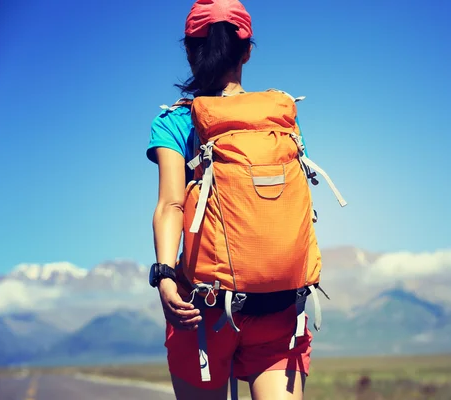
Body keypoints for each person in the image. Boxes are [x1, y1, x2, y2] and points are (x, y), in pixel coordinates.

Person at [145, 1, 318, 399]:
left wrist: (165, 275)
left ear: (190, 50)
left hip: (201, 309)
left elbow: (171, 204)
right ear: (247, 50)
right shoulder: (280, 120)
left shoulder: (174, 121)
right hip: (278, 308)